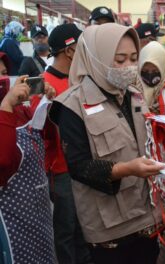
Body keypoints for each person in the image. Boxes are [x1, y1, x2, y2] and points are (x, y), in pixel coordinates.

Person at [48, 24, 165, 264]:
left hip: (147, 214)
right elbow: (79, 167)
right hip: (110, 226)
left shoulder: (133, 94)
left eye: (134, 59)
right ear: (96, 57)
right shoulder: (71, 106)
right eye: (119, 59)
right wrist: (128, 169)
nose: (128, 67)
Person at [43, 23, 92, 264]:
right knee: (66, 230)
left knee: (85, 228)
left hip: (84, 166)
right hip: (61, 170)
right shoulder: (43, 85)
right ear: (70, 51)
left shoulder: (81, 80)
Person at [0, 64, 57, 263]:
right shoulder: (6, 111)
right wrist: (6, 105)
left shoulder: (19, 112)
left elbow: (47, 136)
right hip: (13, 225)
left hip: (39, 218)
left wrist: (46, 103)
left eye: (5, 73)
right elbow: (3, 161)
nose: (3, 80)